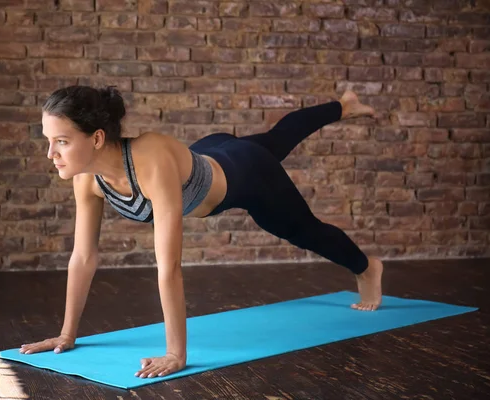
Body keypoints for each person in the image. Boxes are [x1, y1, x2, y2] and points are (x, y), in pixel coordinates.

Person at [19, 85, 384, 379]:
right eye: (48, 140)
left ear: (96, 139)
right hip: (213, 149)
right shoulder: (87, 179)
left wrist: (176, 353)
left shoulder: (150, 161)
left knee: (304, 231)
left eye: (61, 141)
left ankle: (366, 266)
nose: (50, 153)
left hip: (246, 175)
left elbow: (170, 266)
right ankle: (344, 105)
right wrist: (67, 335)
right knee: (276, 138)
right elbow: (83, 257)